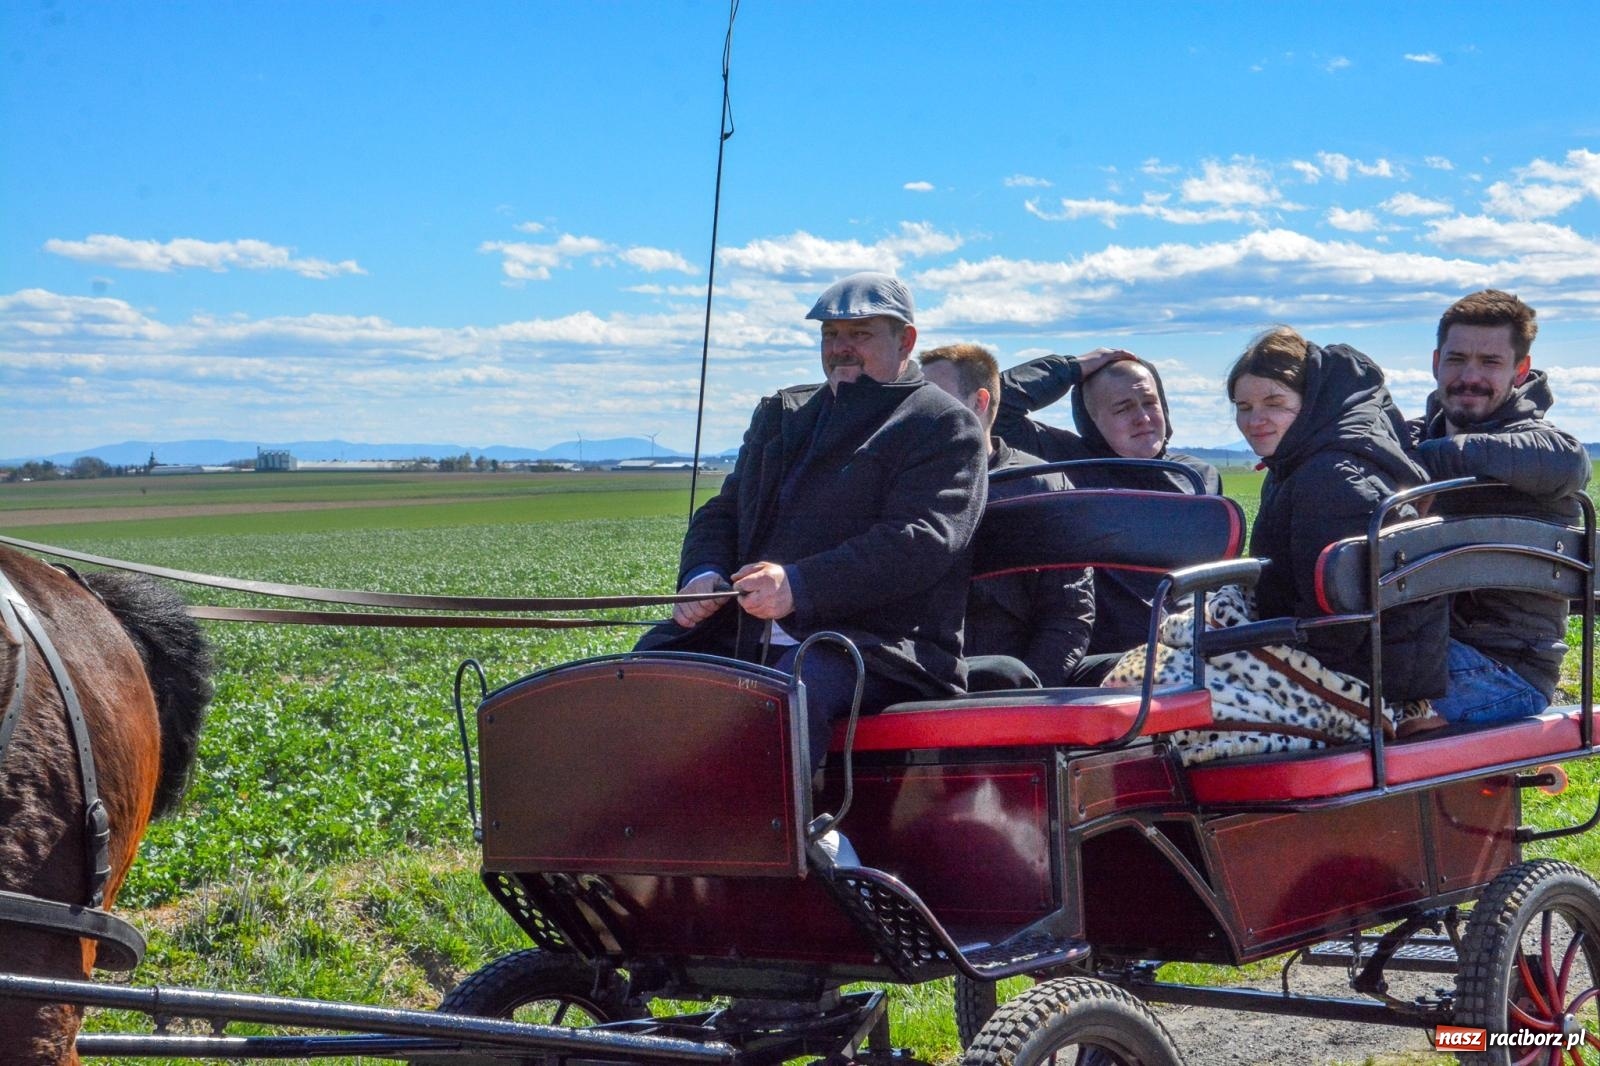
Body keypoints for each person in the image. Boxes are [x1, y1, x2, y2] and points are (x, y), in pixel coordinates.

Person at [636, 272, 988, 766]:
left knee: (783, 699)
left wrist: (800, 586)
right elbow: (725, 510)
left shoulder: (941, 424)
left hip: (880, 647)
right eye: (830, 335)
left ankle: (780, 840)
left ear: (905, 340)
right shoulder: (785, 414)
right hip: (745, 631)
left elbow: (919, 541)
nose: (841, 348)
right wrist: (702, 574)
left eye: (860, 334)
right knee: (636, 678)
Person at [1230, 327, 1447, 702]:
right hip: (1362, 666)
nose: (1255, 420)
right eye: (1244, 407)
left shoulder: (1330, 476)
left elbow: (1335, 627)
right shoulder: (1297, 464)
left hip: (1366, 684)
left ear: (1312, 402)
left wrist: (1257, 658)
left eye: (1274, 403)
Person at [1408, 290, 1591, 725]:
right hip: (1426, 650)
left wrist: (1432, 458)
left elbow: (1570, 462)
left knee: (1335, 694)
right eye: (1456, 360)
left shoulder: (1539, 444)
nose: (1469, 376)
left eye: (1490, 362)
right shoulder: (1409, 437)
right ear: (1436, 362)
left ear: (1519, 370)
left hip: (1504, 672)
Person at [994, 349, 1223, 675]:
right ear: (1092, 421)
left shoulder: (1199, 476)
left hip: (1193, 649)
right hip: (1109, 660)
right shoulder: (1072, 464)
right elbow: (995, 409)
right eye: (1122, 408)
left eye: (1149, 403)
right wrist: (1071, 368)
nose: (1142, 417)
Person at [919, 343, 1095, 689]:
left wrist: (1030, 698)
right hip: (921, 678)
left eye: (934, 401)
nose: (918, 413)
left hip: (1017, 683)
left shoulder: (1041, 487)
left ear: (979, 402)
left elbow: (1068, 612)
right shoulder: (903, 486)